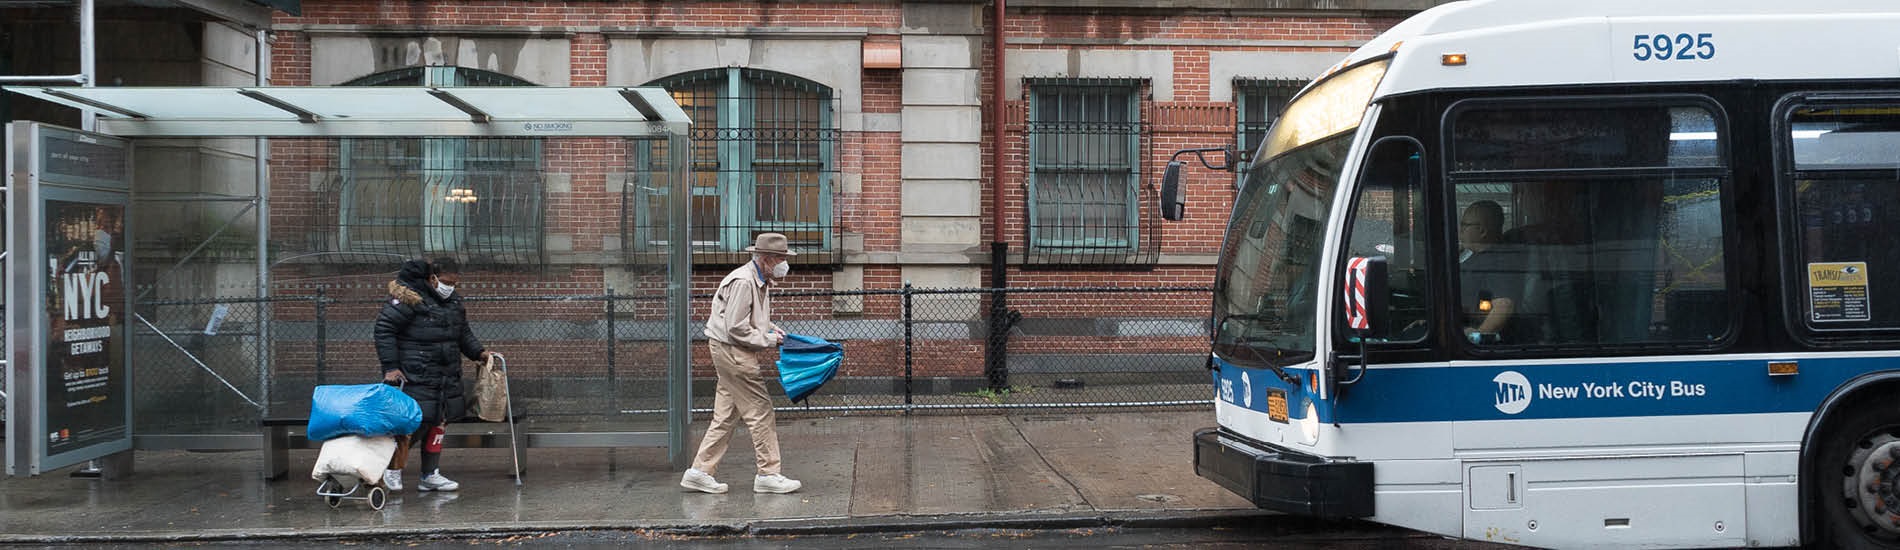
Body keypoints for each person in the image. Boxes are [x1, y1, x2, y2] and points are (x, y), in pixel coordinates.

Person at [681, 233, 802, 495]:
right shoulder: (744, 282)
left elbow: (750, 319)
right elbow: (736, 328)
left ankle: (699, 472)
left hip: (729, 349)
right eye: (781, 258)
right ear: (767, 259)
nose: (785, 264)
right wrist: (770, 341)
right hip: (733, 351)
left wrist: (772, 329)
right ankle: (769, 474)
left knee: (726, 415)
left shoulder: (759, 278)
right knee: (760, 409)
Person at [375, 257, 492, 492]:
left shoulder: (453, 303)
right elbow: (384, 329)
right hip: (416, 373)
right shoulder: (410, 301)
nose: (451, 288)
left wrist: (478, 352)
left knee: (439, 423)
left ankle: (430, 474)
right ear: (432, 278)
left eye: (455, 284)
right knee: (413, 424)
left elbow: (462, 333)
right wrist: (391, 367)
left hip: (445, 373)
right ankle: (392, 470)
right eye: (447, 282)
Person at [1458, 200, 1517, 344]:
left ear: (1482, 231)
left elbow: (1504, 305)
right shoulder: (1473, 256)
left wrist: (1478, 336)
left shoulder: (1498, 261)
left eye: (1464, 225)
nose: (1460, 230)